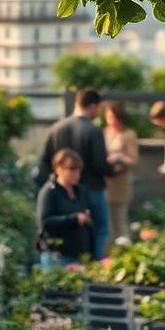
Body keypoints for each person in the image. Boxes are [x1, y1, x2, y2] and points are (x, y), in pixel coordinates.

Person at [38, 88, 116, 259]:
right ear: (94, 105)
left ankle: (71, 266)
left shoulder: (56, 128)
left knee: (69, 228)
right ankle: (95, 268)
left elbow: (44, 160)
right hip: (92, 188)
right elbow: (100, 164)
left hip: (62, 189)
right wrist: (113, 168)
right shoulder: (93, 131)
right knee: (101, 229)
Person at [36, 148, 95, 266]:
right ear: (58, 169)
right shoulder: (49, 192)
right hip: (56, 256)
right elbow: (45, 222)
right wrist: (74, 218)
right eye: (72, 170)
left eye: (78, 171)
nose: (77, 175)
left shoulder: (80, 191)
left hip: (78, 256)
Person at [103, 101, 139, 248]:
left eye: (112, 116)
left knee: (120, 220)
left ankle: (123, 250)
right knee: (107, 220)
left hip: (120, 182)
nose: (110, 120)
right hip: (106, 181)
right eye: (108, 116)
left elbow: (133, 160)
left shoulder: (128, 134)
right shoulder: (105, 132)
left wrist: (119, 158)